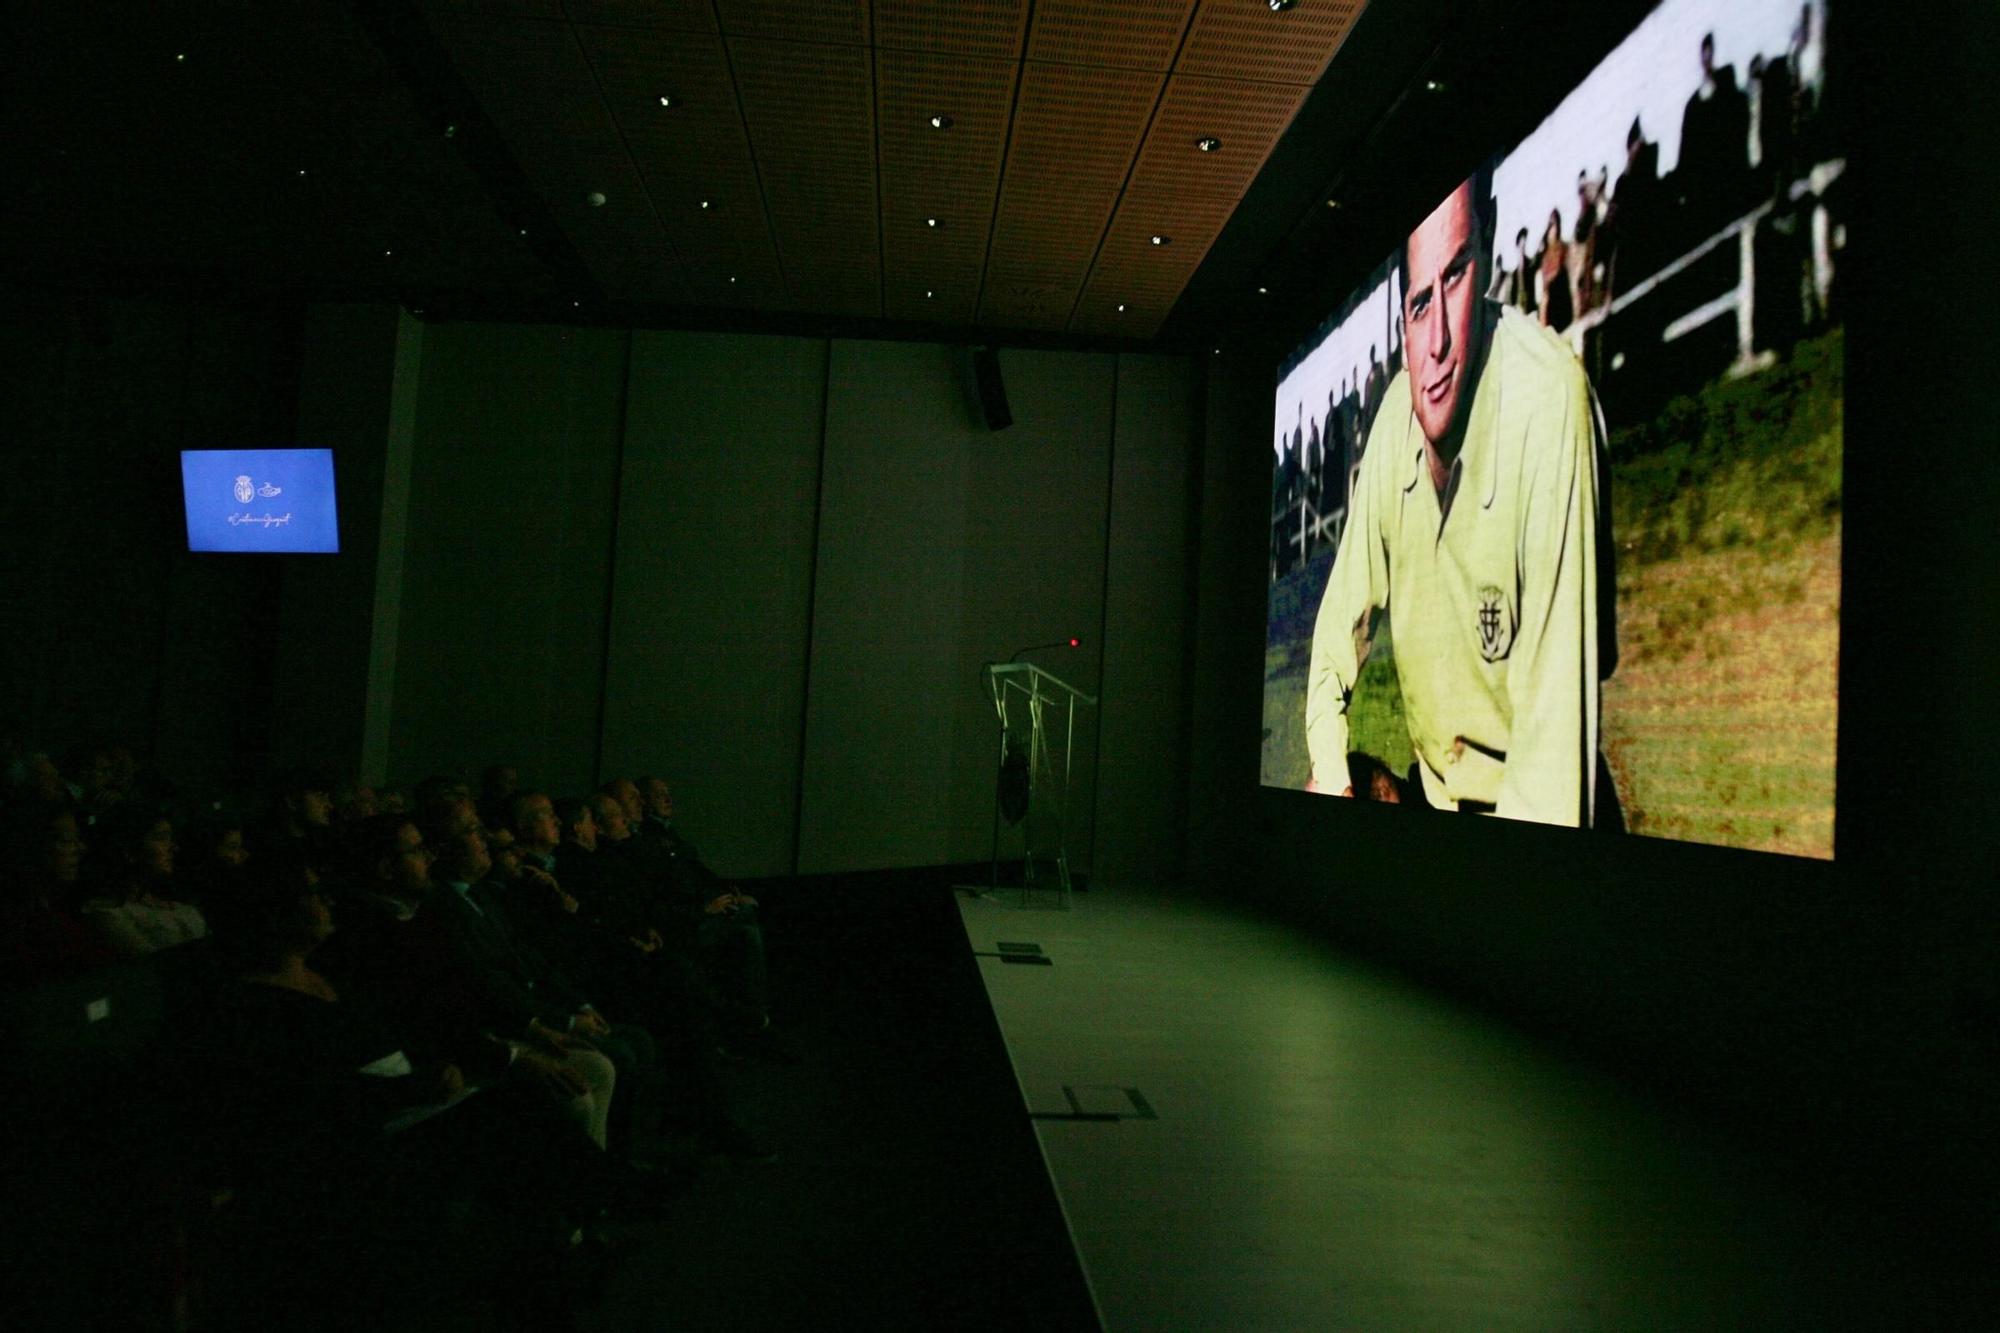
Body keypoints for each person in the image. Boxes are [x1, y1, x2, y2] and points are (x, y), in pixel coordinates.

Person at [1302, 172, 1616, 827]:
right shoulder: (1393, 419)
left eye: (1457, 276)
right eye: (1419, 303)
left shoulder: (1550, 403)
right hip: (1440, 803)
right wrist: (1330, 775)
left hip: (1535, 818)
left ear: (1490, 249)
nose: (1438, 340)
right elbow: (1337, 634)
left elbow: (1553, 754)